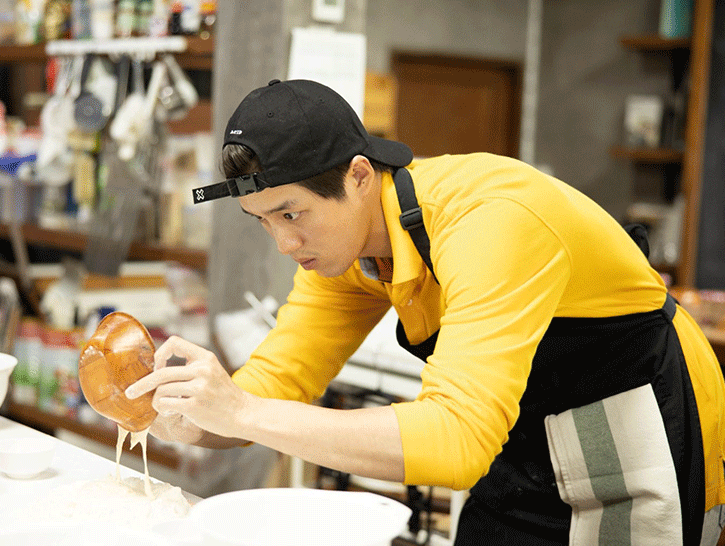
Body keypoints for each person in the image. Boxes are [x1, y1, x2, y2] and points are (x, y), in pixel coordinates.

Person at [125, 79, 725, 545]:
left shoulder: (490, 221)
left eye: (291, 213)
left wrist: (243, 412)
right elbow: (274, 385)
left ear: (359, 176)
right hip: (521, 443)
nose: (284, 243)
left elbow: (458, 440)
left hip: (635, 432)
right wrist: (184, 415)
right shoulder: (348, 255)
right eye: (263, 221)